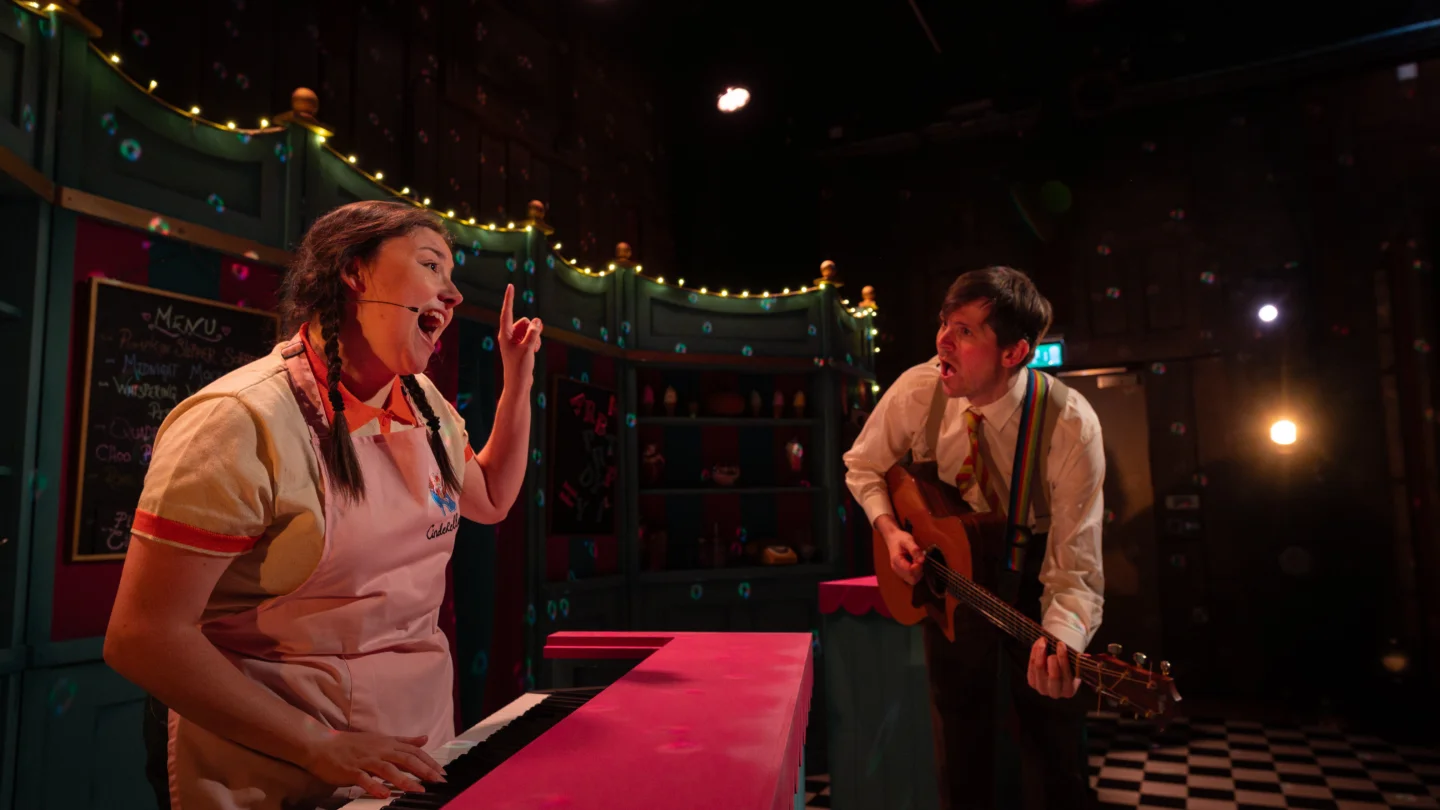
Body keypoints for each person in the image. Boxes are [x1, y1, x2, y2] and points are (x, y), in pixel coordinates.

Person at [103, 200, 544, 810]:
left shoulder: (425, 404)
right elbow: (141, 636)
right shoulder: (238, 420)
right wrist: (320, 745)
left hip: (413, 748)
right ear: (354, 272)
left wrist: (517, 380)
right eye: (431, 265)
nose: (453, 294)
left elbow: (491, 499)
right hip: (277, 769)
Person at [843, 266, 1105, 810]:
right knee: (961, 748)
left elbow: (1074, 563)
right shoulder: (920, 388)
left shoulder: (1070, 423)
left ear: (1014, 353)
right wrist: (890, 531)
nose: (942, 340)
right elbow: (862, 466)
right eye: (944, 321)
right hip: (951, 578)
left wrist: (1063, 642)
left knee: (1053, 756)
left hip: (1033, 577)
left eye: (965, 331)